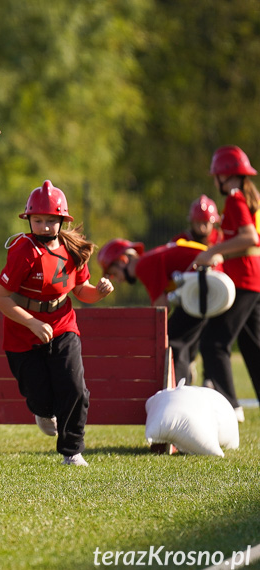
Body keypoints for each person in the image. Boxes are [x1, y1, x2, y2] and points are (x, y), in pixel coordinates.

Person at [0, 181, 113, 467]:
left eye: (50, 221)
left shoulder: (73, 249)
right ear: (29, 219)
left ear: (61, 221)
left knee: (75, 387)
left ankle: (72, 451)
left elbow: (82, 291)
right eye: (38, 220)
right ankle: (42, 411)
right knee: (40, 396)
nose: (44, 226)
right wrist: (32, 322)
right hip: (22, 332)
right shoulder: (23, 250)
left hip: (62, 323)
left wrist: (100, 292)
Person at [191, 146, 260, 422]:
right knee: (252, 347)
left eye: (216, 175)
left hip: (244, 279)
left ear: (224, 175)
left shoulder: (234, 199)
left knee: (213, 343)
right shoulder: (244, 197)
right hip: (251, 278)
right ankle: (234, 406)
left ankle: (232, 408)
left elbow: (249, 238)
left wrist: (212, 251)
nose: (214, 181)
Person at [98, 238, 217, 386]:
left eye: (113, 273)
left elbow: (161, 308)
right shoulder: (149, 258)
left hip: (205, 286)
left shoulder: (143, 265)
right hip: (208, 284)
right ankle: (186, 379)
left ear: (122, 260)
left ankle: (179, 391)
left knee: (174, 343)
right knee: (181, 338)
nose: (117, 280)